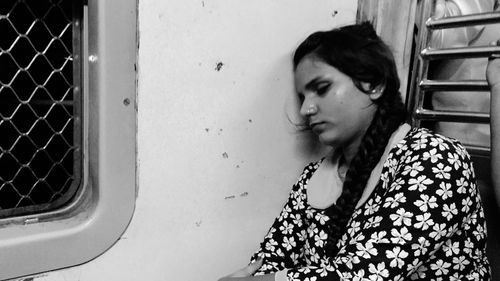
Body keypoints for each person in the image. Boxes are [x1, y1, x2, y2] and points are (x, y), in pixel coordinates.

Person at [219, 22, 491, 281]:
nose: (306, 109)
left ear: (374, 84)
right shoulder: (313, 178)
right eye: (302, 97)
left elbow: (366, 275)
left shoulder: (436, 159)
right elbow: (269, 262)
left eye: (321, 89)